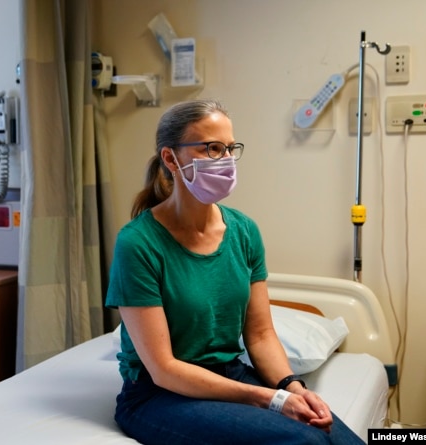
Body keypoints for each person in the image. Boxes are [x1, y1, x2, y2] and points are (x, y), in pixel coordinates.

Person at [105, 99, 365, 445]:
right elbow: (163, 368)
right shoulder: (138, 243)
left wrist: (293, 387)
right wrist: (268, 399)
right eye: (211, 148)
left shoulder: (243, 232)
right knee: (307, 442)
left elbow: (259, 335)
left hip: (231, 373)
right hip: (159, 393)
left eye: (230, 148)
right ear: (171, 158)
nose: (225, 160)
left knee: (338, 437)